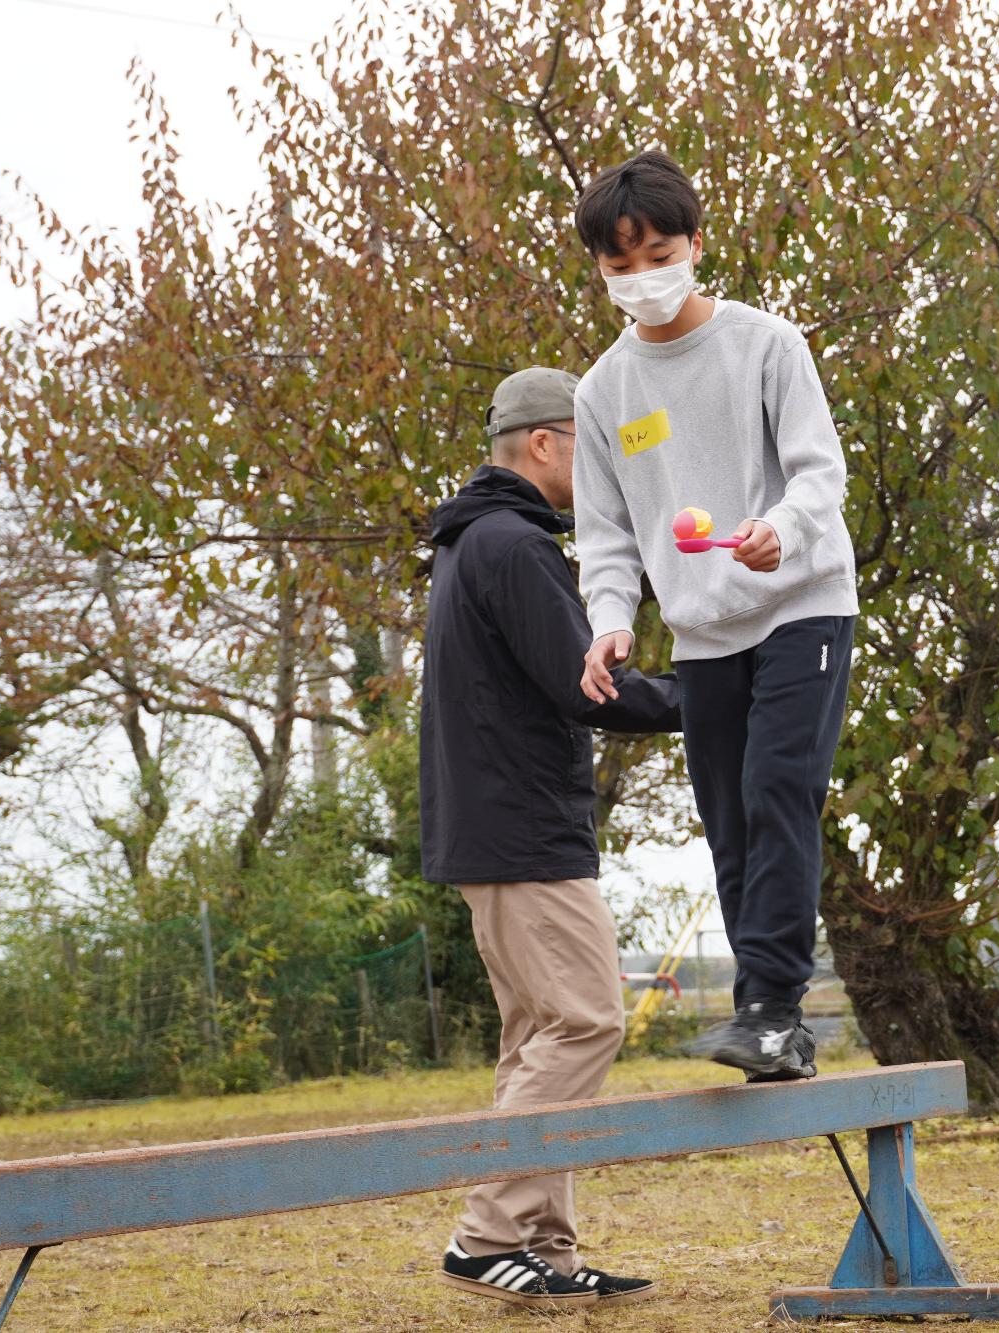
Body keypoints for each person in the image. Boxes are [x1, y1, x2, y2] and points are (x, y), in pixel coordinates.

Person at [569, 150, 858, 1084]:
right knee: (730, 818)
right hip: (703, 633)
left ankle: (773, 1007)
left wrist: (781, 528)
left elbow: (820, 471)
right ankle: (767, 1021)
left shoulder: (765, 345)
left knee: (779, 786)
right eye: (622, 266)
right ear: (601, 272)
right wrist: (610, 618)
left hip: (800, 605)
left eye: (659, 253)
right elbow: (605, 532)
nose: (645, 278)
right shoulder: (602, 392)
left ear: (695, 243)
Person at [420, 365, 679, 1310]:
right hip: (524, 831)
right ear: (543, 444)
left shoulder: (468, 543)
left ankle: (544, 1250)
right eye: (589, 441)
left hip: (488, 828)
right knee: (587, 1020)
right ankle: (488, 1234)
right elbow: (586, 684)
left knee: (538, 1034)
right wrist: (708, 702)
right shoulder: (513, 546)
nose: (601, 460)